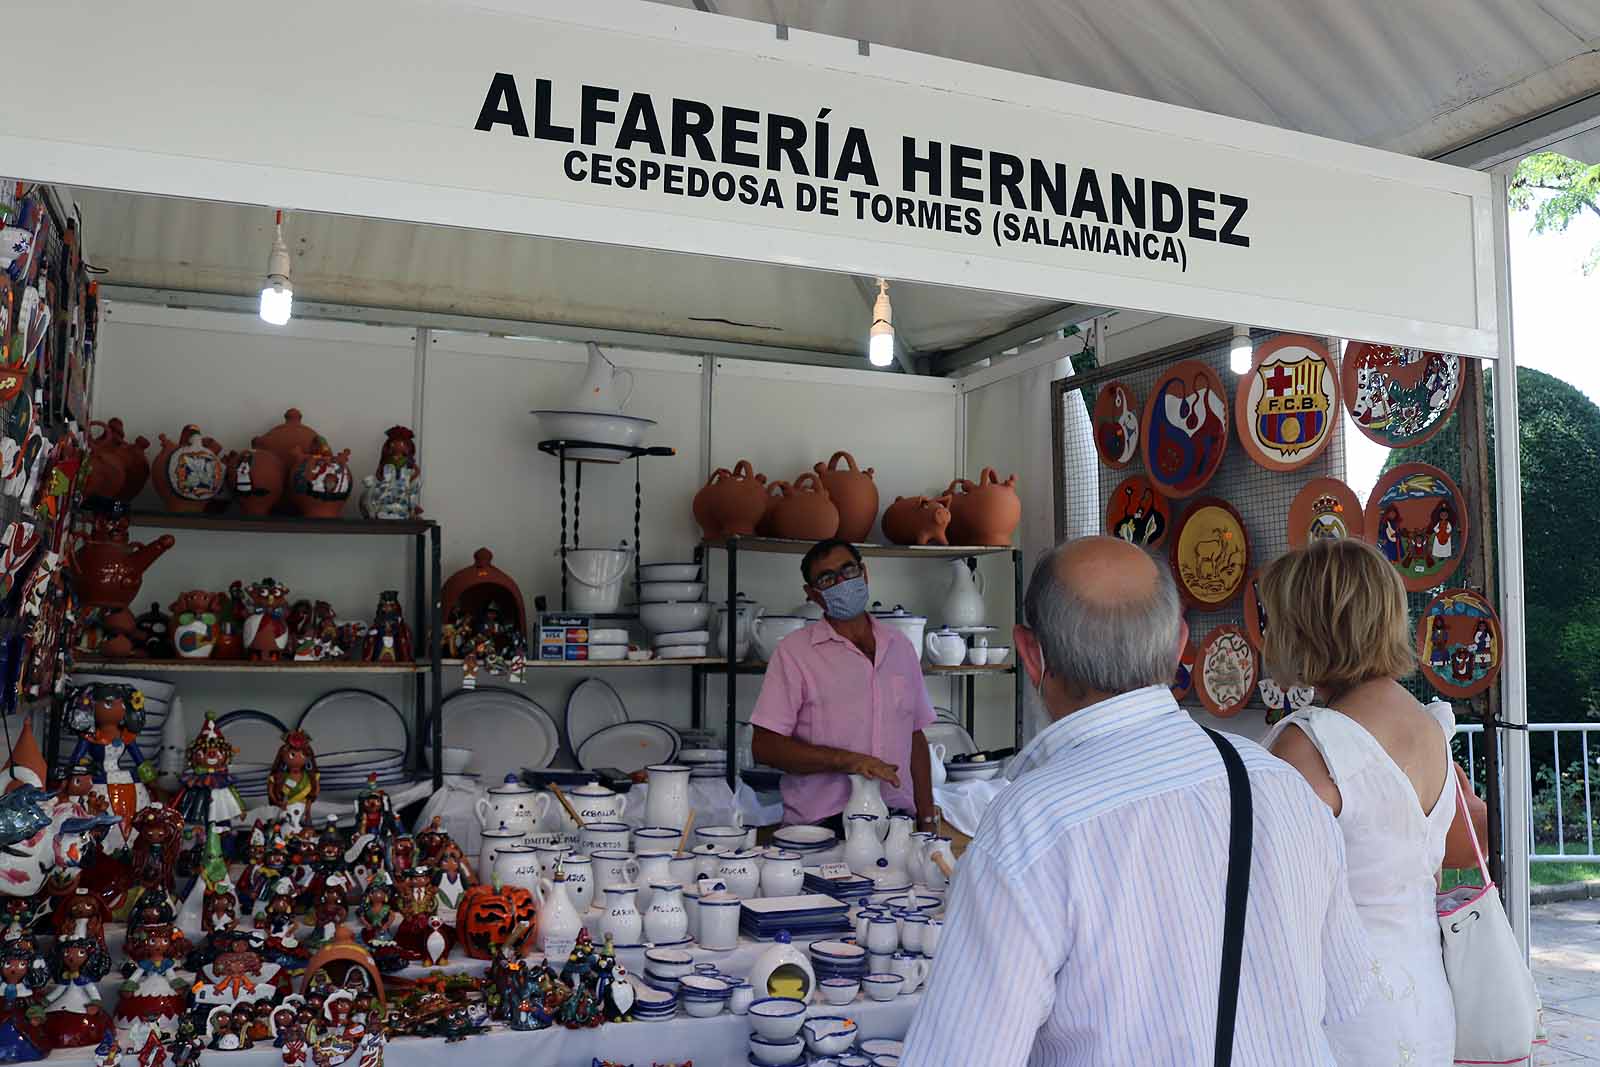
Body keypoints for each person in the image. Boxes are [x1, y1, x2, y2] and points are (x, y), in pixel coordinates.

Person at [903, 537, 1372, 1066]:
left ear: (1031, 656)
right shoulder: (1281, 785)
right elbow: (1347, 996)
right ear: (1179, 647)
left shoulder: (1031, 824)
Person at [1259, 538, 1471, 1066]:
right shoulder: (1430, 726)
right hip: (1426, 998)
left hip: (1346, 1013)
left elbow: (1265, 893)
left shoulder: (1312, 745)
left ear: (1310, 626)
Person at [749, 538, 939, 833]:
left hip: (897, 823)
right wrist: (846, 761)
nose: (841, 582)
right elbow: (764, 746)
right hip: (822, 827)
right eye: (827, 579)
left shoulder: (900, 647)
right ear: (812, 594)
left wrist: (927, 817)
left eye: (847, 570)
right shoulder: (795, 652)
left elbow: (913, 735)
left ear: (864, 573)